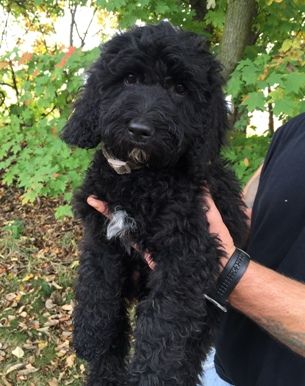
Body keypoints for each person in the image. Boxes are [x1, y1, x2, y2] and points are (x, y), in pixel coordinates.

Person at [87, 112, 305, 386]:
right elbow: (255, 207)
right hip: (222, 359)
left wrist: (214, 266)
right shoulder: (297, 128)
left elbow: (210, 259)